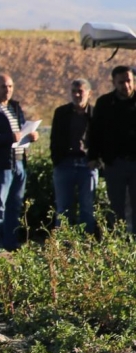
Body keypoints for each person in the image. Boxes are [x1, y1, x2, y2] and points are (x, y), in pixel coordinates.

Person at [0, 75, 38, 250]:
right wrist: (8, 138)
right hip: (2, 164)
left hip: (18, 161)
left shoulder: (15, 107)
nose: (7, 89)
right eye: (3, 86)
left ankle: (11, 241)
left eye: (10, 86)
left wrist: (30, 136)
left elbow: (22, 128)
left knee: (15, 204)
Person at [88, 66, 136, 229]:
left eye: (128, 81)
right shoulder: (105, 103)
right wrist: (93, 156)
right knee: (117, 206)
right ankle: (119, 243)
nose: (126, 86)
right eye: (121, 82)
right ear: (114, 83)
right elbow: (95, 132)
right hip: (115, 163)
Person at [51, 79, 97, 234]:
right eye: (73, 91)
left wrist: (96, 159)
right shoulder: (61, 113)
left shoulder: (95, 114)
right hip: (65, 163)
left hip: (87, 164)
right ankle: (63, 246)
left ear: (89, 93)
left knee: (87, 206)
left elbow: (102, 138)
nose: (77, 95)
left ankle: (87, 245)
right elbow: (54, 138)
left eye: (81, 91)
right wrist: (57, 161)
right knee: (63, 207)